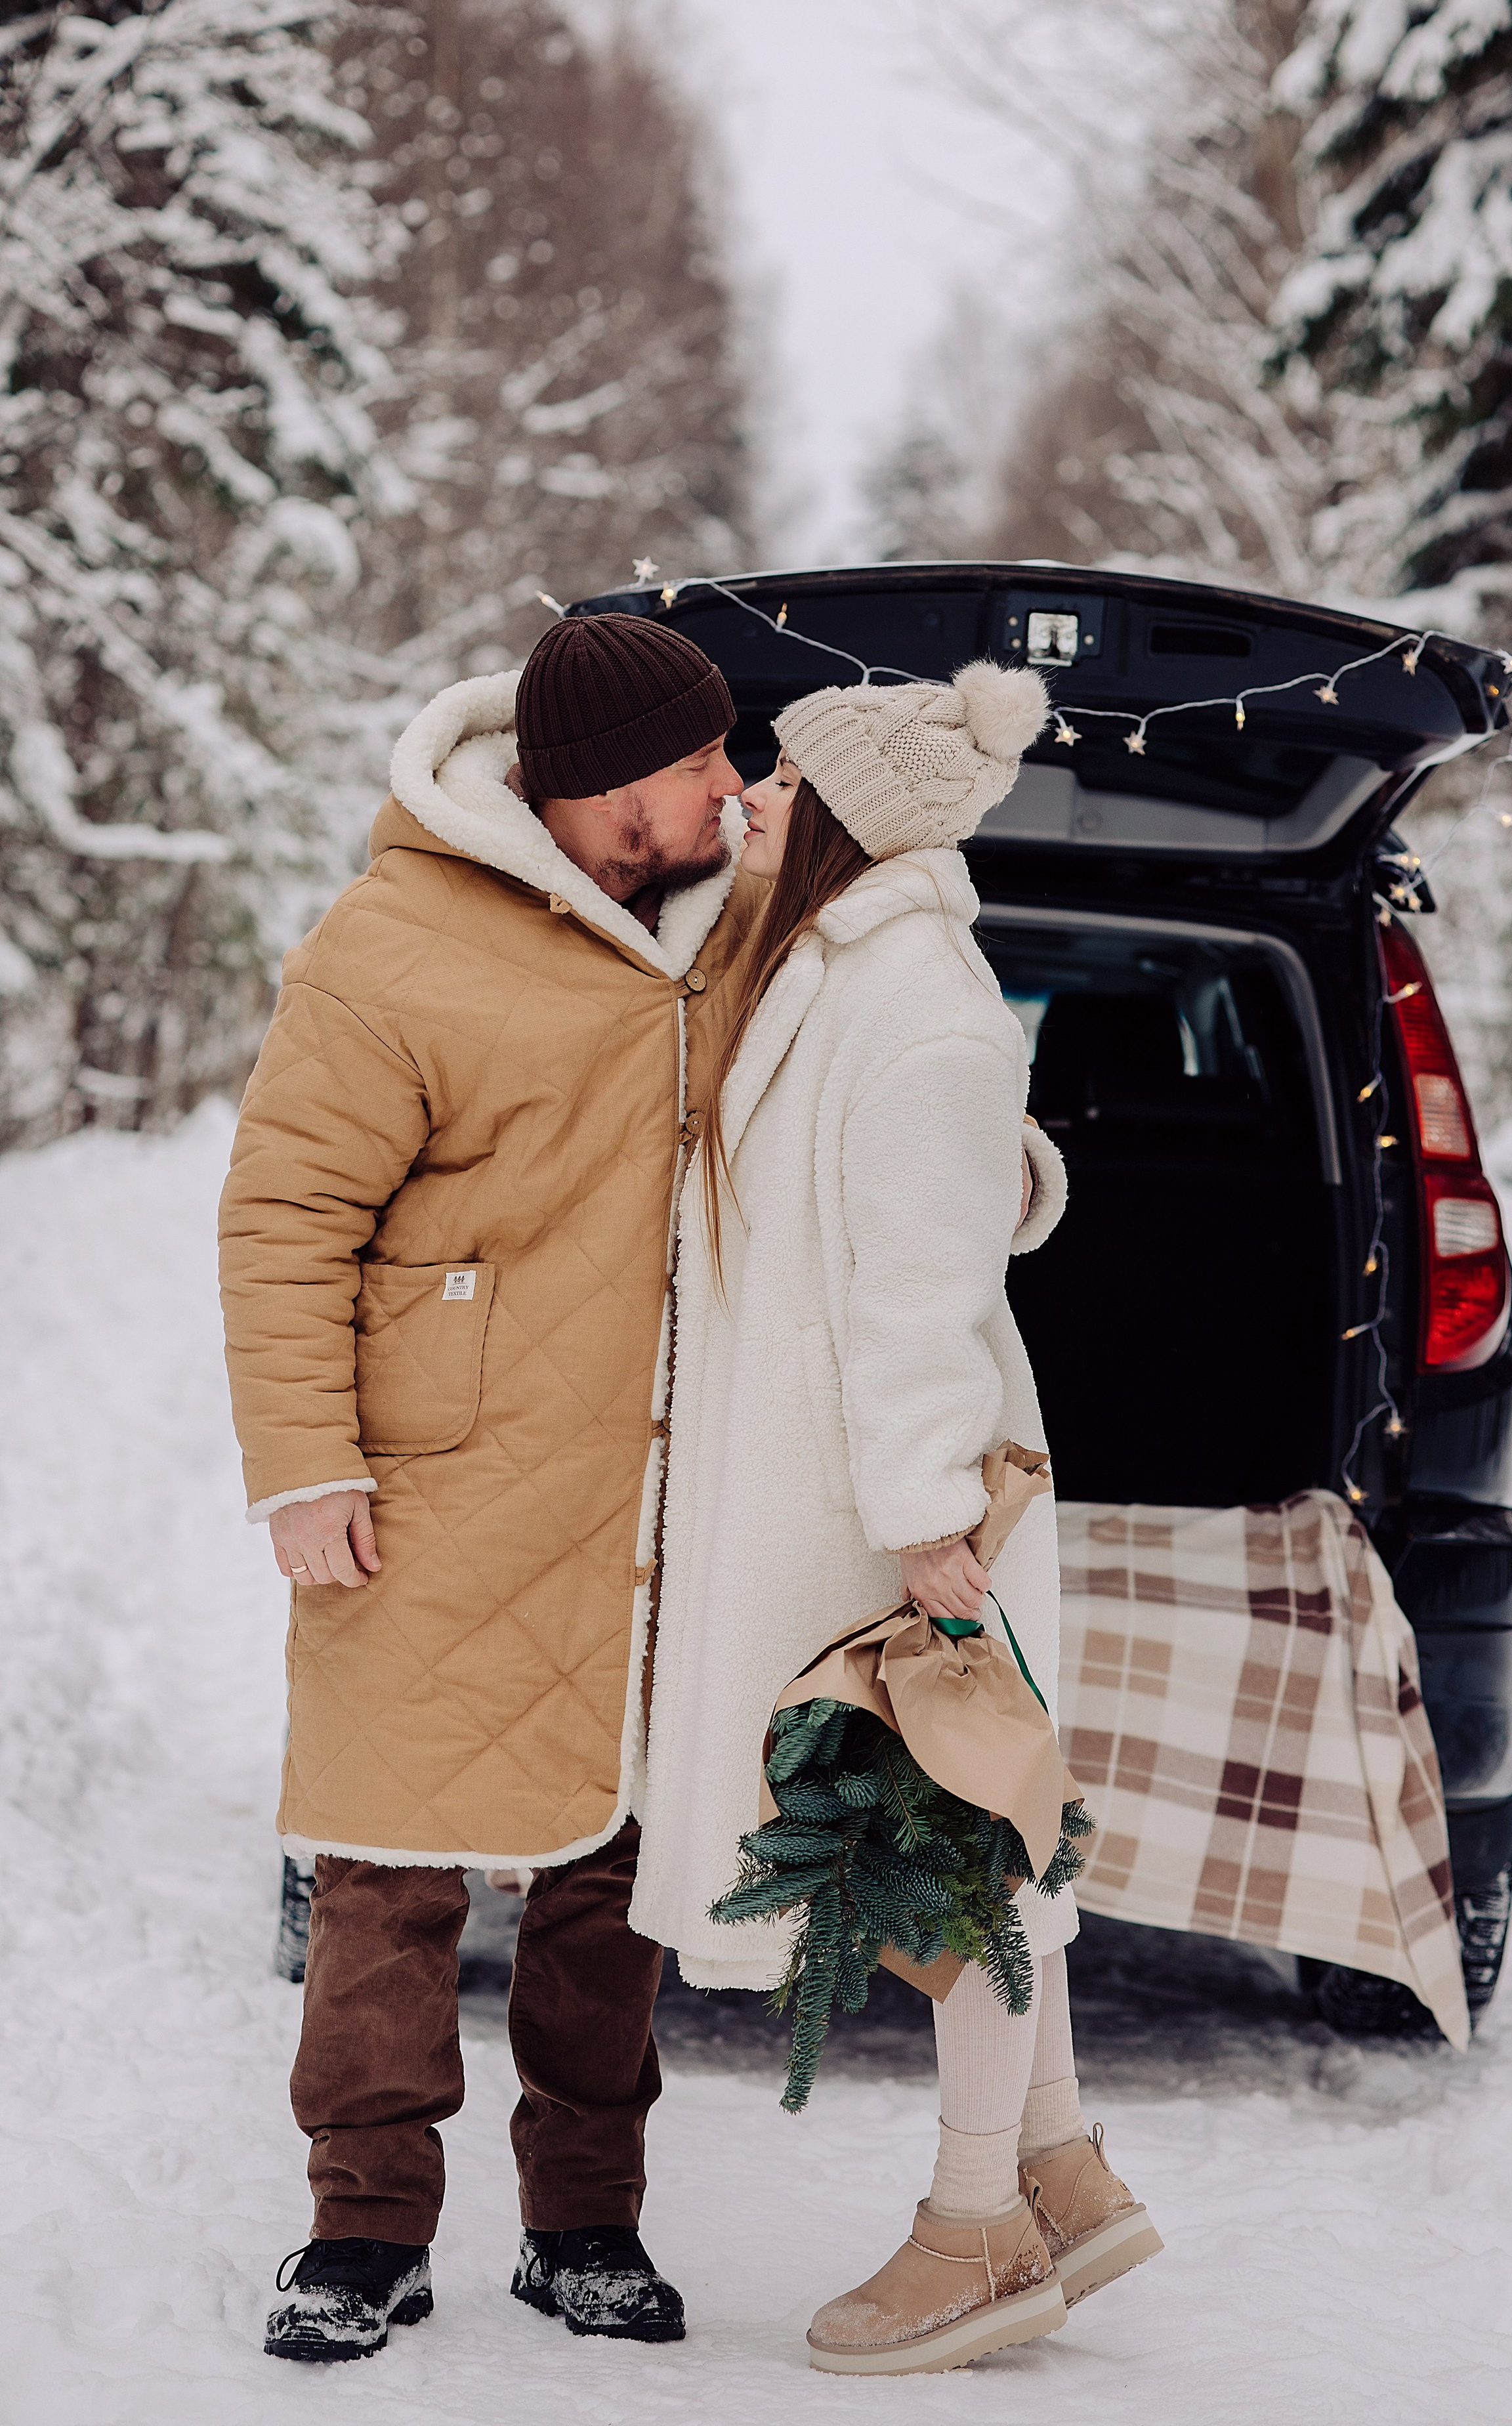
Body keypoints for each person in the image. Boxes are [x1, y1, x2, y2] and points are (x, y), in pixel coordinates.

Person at [219, 611, 766, 2362]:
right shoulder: (391, 944)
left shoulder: (747, 919)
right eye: (704, 761)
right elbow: (286, 1216)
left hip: (666, 1484)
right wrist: (305, 1463)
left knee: (615, 1863)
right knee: (390, 1861)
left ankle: (585, 2221)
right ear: (608, 786)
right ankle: (362, 2231)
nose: (734, 785)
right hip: (437, 1477)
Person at [631, 662, 1164, 2376]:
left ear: (849, 821)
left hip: (897, 1502)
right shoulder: (832, 959)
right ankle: (1062, 2170)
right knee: (974, 1828)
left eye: (787, 779)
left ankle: (976, 2226)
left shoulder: (916, 1000)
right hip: (844, 1482)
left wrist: (934, 1525)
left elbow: (922, 1292)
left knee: (960, 1852)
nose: (755, 795)